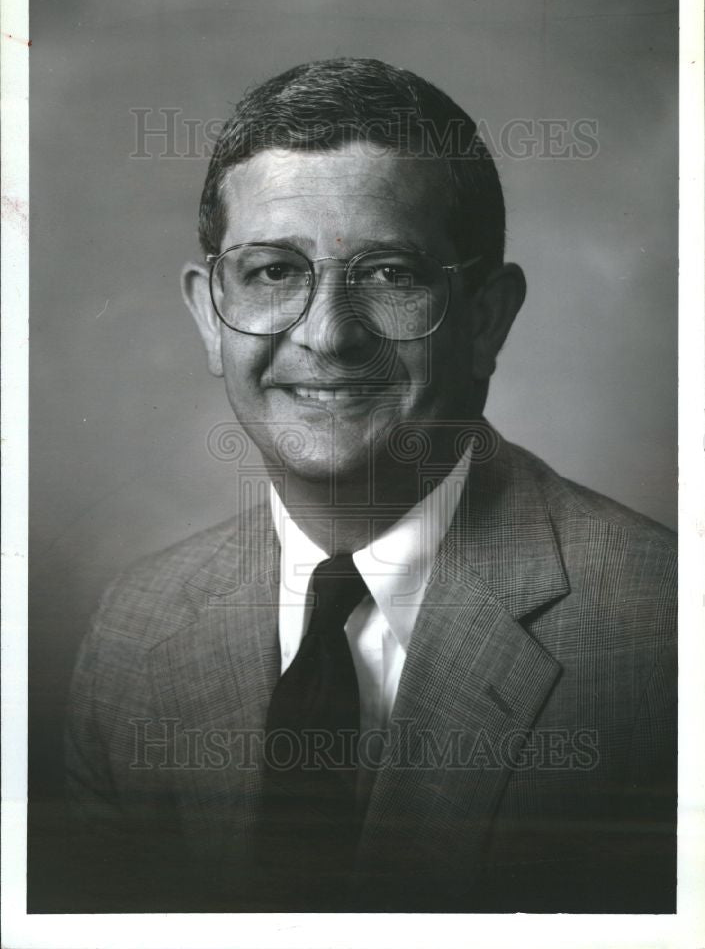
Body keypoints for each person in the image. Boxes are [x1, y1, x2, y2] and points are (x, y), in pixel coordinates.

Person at [65, 57, 676, 914]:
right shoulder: (133, 633)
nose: (329, 337)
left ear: (484, 321)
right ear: (210, 314)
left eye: (390, 273)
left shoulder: (665, 635)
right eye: (274, 270)